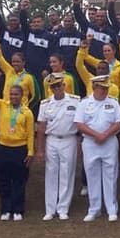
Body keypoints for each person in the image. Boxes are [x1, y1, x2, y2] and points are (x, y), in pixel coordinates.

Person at [0, 73, 36, 221]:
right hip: (3, 148)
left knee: (19, 180)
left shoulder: (27, 112)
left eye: (16, 94)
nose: (13, 97)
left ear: (22, 96)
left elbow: (30, 134)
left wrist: (31, 152)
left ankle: (18, 209)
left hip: (20, 149)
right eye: (11, 94)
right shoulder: (2, 105)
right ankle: (6, 209)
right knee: (3, 180)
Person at [74, 75, 120, 222]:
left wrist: (105, 134)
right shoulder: (84, 103)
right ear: (94, 87)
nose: (104, 91)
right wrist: (96, 135)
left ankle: (111, 209)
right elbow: (79, 124)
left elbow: (118, 122)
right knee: (92, 175)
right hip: (90, 142)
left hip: (109, 142)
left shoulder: (113, 102)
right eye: (102, 88)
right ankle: (94, 209)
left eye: (106, 88)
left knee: (110, 175)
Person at [36, 73, 81, 221]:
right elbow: (41, 128)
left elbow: (80, 124)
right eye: (53, 86)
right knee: (51, 173)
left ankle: (63, 208)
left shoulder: (75, 101)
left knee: (67, 174)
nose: (56, 88)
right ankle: (50, 209)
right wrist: (40, 149)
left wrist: (80, 145)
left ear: (64, 85)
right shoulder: (45, 104)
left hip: (69, 139)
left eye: (58, 85)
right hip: (52, 140)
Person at [0, 33, 39, 107]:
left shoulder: (29, 77)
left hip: (20, 112)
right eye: (13, 61)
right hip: (6, 109)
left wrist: (26, 107)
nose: (15, 64)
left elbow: (36, 97)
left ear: (23, 63)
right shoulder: (8, 71)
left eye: (18, 62)